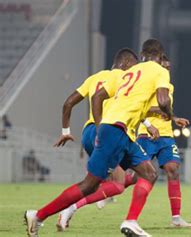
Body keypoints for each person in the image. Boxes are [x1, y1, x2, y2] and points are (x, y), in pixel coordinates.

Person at [25, 38, 171, 237]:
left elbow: (99, 96)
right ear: (160, 57)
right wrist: (169, 113)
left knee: (149, 173)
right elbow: (163, 101)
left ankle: (131, 221)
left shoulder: (129, 74)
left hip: (124, 133)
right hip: (115, 130)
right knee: (90, 184)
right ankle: (39, 215)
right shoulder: (157, 71)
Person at [52, 48, 141, 231]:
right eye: (133, 66)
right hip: (107, 133)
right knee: (118, 184)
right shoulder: (123, 80)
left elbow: (68, 103)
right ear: (124, 64)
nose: (134, 71)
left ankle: (102, 191)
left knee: (140, 173)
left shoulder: (95, 78)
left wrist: (65, 131)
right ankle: (68, 208)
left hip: (89, 134)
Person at [135, 54, 191, 227]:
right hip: (147, 134)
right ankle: (107, 190)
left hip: (166, 136)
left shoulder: (169, 87)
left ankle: (176, 218)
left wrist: (174, 118)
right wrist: (157, 111)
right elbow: (139, 108)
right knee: (133, 177)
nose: (167, 69)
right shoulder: (148, 83)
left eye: (169, 67)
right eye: (164, 66)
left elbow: (165, 111)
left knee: (173, 169)